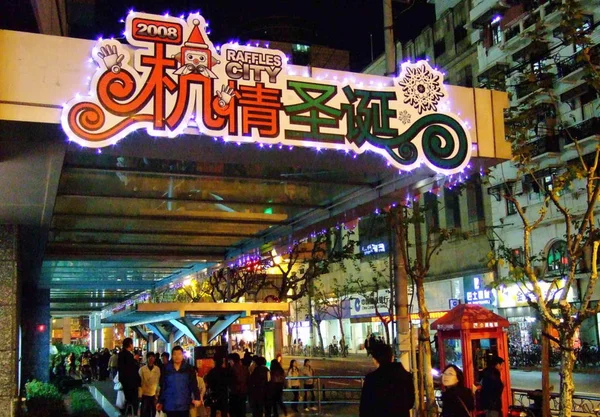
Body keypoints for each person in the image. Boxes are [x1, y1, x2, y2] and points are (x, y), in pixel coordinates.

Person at [359, 343, 414, 417]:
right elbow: (410, 403)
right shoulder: (405, 376)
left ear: (375, 360)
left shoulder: (371, 379)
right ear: (392, 357)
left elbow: (364, 408)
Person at [157, 346, 201, 417]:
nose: (177, 356)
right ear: (172, 355)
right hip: (169, 405)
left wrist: (197, 398)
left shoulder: (189, 369)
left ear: (182, 355)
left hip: (184, 404)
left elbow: (193, 385)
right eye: (175, 354)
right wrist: (160, 401)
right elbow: (163, 387)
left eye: (179, 354)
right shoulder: (166, 369)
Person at [118, 338, 141, 415]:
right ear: (129, 344)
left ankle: (127, 412)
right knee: (133, 399)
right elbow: (131, 369)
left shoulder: (121, 354)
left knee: (128, 399)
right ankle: (132, 413)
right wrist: (135, 361)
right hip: (131, 382)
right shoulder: (129, 355)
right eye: (132, 343)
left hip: (124, 381)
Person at [139, 352, 161, 417]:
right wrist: (140, 395)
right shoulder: (142, 369)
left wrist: (157, 393)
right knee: (145, 411)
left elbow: (158, 381)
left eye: (152, 357)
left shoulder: (157, 369)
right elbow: (139, 383)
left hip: (154, 394)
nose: (151, 359)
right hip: (145, 394)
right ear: (147, 358)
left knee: (154, 411)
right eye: (149, 357)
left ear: (154, 358)